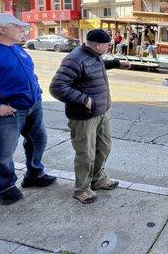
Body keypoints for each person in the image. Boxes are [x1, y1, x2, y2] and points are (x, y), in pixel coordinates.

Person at [0, 14, 56, 205]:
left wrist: (37, 91)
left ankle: (34, 174)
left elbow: (29, 75)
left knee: (38, 140)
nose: (23, 30)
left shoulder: (17, 49)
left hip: (32, 106)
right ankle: (5, 188)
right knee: (4, 153)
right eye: (18, 27)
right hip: (6, 111)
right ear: (1, 29)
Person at [49, 29, 130, 204]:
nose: (110, 47)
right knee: (86, 153)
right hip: (84, 116)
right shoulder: (74, 58)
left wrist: (116, 63)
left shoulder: (94, 55)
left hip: (101, 112)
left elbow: (94, 67)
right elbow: (57, 87)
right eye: (108, 45)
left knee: (104, 147)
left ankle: (98, 179)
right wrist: (83, 99)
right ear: (99, 45)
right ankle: (82, 189)